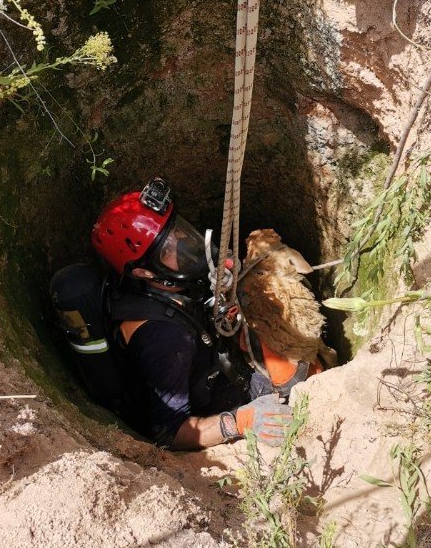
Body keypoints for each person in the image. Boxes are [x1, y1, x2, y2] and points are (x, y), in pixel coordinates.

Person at [50, 178, 296, 450]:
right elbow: (169, 431)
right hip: (217, 398)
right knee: (296, 376)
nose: (181, 243)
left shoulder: (165, 279)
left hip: (211, 360)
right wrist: (238, 422)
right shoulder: (165, 340)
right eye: (167, 247)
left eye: (177, 230)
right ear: (143, 271)